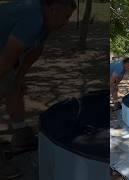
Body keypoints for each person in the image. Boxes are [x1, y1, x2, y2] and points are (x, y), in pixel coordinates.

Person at [0, 0, 76, 178]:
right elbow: (7, 58)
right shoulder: (32, 17)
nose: (66, 23)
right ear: (53, 8)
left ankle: (21, 137)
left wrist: (19, 79)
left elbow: (35, 50)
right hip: (3, 54)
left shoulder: (45, 23)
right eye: (65, 16)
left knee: (14, 88)